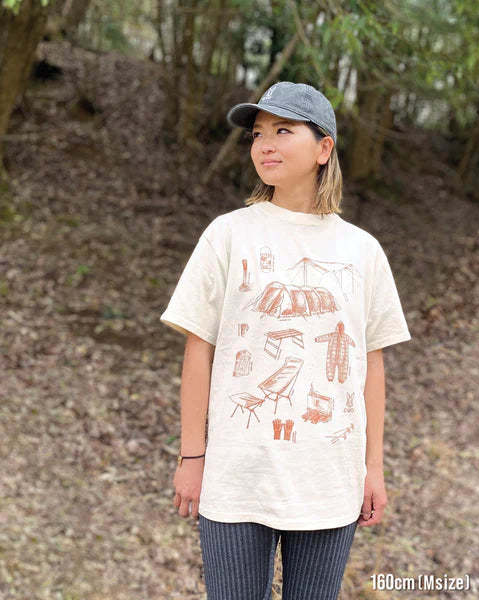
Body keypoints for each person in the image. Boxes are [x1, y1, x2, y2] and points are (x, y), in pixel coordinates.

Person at [160, 81, 412, 600]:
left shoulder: (362, 251)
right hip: (237, 477)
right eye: (257, 134)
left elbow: (371, 365)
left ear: (324, 148)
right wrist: (191, 456)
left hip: (329, 481)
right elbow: (198, 347)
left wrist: (373, 467)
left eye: (282, 131)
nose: (265, 145)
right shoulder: (228, 234)